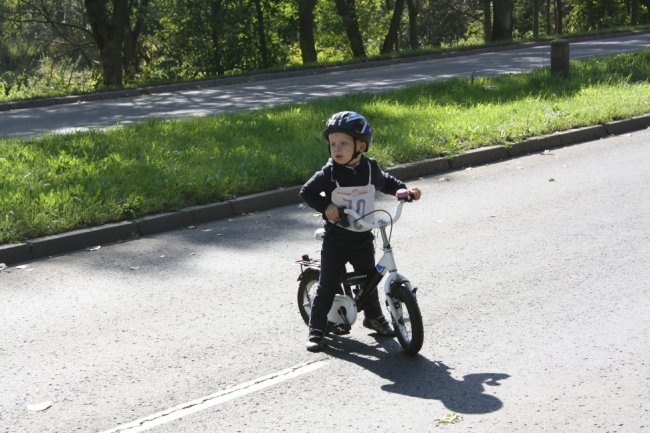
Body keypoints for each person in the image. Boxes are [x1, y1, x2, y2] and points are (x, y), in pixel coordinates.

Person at [299, 111, 422, 352]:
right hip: (336, 238)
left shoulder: (369, 168)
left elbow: (387, 182)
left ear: (361, 146)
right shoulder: (330, 173)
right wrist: (327, 207)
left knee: (369, 279)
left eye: (343, 143)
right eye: (333, 144)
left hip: (363, 235)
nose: (337, 148)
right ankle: (316, 328)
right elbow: (307, 192)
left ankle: (373, 317)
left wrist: (406, 191)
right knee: (328, 283)